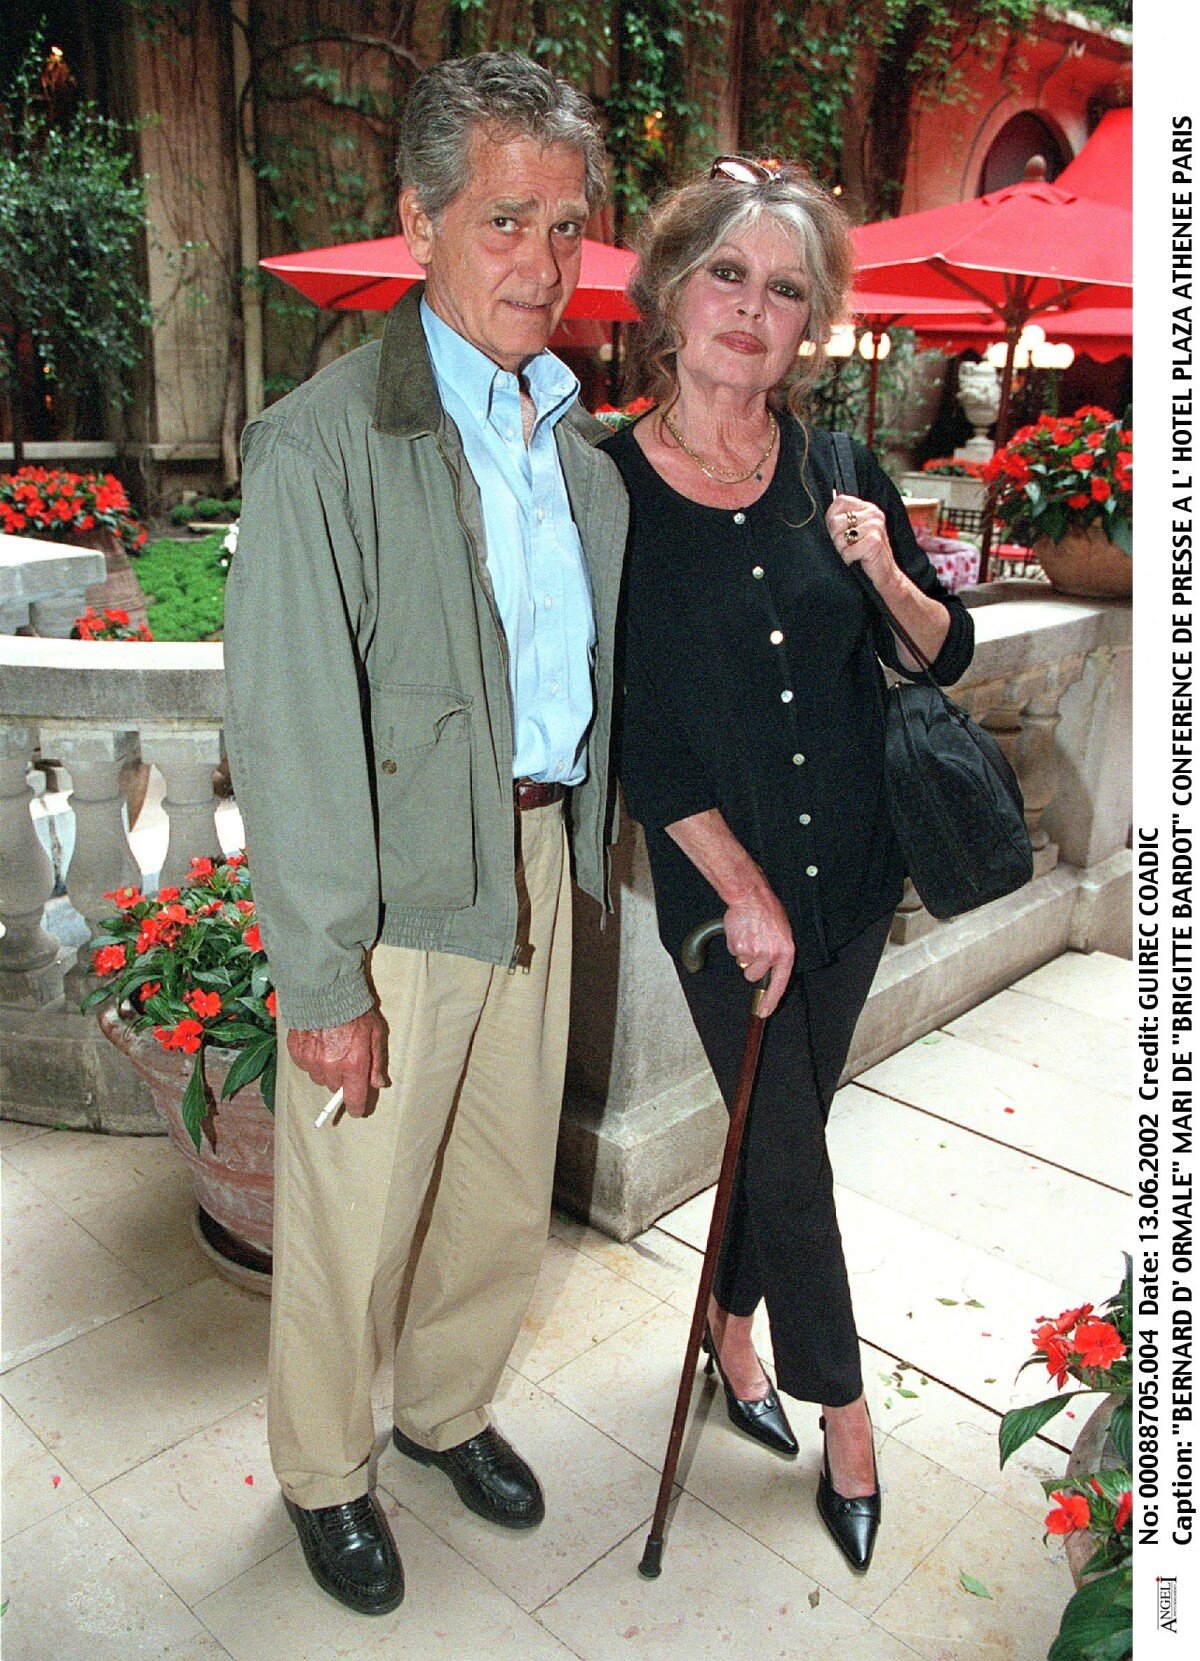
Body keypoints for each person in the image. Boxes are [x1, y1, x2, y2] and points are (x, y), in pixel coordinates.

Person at [223, 52, 628, 1616]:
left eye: (566, 226)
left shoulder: (567, 440)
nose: (541, 261)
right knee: (356, 1207)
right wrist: (322, 977)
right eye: (505, 220)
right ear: (420, 221)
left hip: (533, 854)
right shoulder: (323, 440)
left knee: (499, 1176)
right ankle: (328, 1471)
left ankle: (445, 1408)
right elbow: (291, 726)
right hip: (391, 885)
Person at [605, 158, 974, 1574]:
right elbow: (620, 712)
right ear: (672, 291)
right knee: (795, 1151)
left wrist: (883, 567)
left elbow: (944, 650)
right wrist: (735, 881)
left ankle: (728, 1324)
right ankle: (849, 1414)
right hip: (725, 899)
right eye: (728, 276)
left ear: (809, 324)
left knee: (781, 1127)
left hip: (858, 877)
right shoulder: (608, 485)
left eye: (785, 290)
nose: (752, 311)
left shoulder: (837, 468)